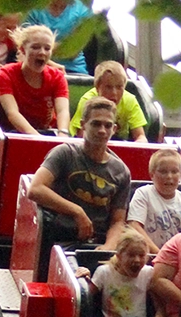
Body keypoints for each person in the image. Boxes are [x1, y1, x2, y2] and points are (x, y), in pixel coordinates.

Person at [28, 97, 130, 248]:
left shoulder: (121, 171)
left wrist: (107, 249)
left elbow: (117, 221)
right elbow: (35, 189)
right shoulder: (64, 153)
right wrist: (77, 212)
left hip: (97, 243)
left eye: (108, 125)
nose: (102, 130)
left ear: (114, 129)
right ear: (83, 125)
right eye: (96, 124)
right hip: (60, 241)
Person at [0, 25, 69, 135]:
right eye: (35, 47)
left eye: (47, 48)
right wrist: (37, 139)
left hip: (47, 132)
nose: (42, 52)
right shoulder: (5, 74)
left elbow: (62, 111)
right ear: (22, 50)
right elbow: (12, 113)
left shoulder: (57, 77)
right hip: (13, 133)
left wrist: (63, 134)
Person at [128, 148, 181, 252]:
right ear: (152, 175)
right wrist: (159, 255)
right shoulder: (144, 194)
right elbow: (134, 226)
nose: (169, 176)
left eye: (174, 172)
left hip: (179, 257)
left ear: (180, 175)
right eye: (163, 172)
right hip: (150, 256)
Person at [70, 61, 148, 142]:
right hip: (92, 141)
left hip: (118, 142)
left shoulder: (129, 100)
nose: (114, 93)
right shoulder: (88, 101)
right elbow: (81, 136)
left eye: (119, 87)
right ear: (97, 87)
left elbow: (141, 136)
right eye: (108, 87)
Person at [90, 230, 153, 317]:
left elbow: (160, 304)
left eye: (141, 255)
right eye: (131, 255)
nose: (137, 260)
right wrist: (85, 277)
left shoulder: (148, 273)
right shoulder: (104, 272)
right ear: (119, 256)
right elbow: (86, 297)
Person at [26, 0, 92, 74]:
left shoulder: (82, 10)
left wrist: (38, 47)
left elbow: (73, 51)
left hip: (73, 70)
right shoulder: (34, 7)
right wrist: (52, 64)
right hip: (35, 67)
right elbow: (23, 45)